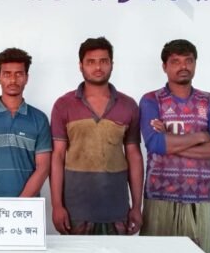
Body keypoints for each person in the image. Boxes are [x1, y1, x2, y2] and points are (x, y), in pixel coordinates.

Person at [138, 39, 210, 253]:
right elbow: (155, 143)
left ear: (195, 64)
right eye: (176, 62)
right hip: (160, 198)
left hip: (199, 200)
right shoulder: (151, 100)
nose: (183, 66)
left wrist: (170, 140)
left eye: (188, 61)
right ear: (164, 66)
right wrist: (201, 136)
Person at [50, 37, 143, 235]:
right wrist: (56, 205)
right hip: (75, 211)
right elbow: (57, 156)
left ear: (112, 64)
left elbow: (134, 156)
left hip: (118, 210)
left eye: (103, 61)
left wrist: (136, 206)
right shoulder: (63, 105)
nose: (98, 67)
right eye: (91, 62)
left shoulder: (128, 105)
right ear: (80, 66)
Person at [0, 48, 52, 197]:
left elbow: (43, 167)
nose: (13, 80)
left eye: (19, 74)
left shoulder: (40, 119)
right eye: (7, 74)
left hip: (28, 206)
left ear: (26, 78)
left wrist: (19, 205)